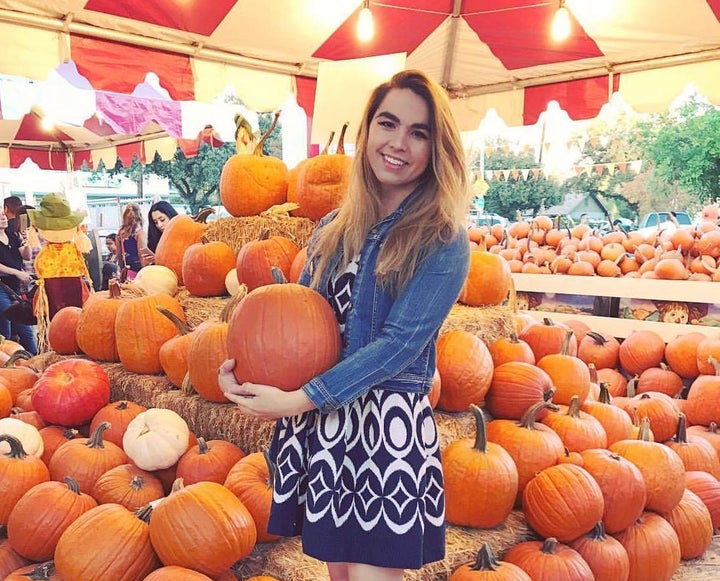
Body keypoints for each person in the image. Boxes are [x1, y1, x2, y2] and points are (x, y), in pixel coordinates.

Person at [218, 70, 471, 581]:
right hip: (327, 426)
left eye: (418, 133)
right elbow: (298, 322)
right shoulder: (333, 230)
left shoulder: (443, 239)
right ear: (368, 131)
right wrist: (245, 379)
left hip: (383, 434)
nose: (398, 143)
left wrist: (298, 399)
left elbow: (399, 345)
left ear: (435, 149)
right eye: (388, 123)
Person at [0, 209, 37, 354]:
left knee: (25, 328)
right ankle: (4, 363)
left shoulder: (12, 236)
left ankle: (34, 359)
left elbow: (27, 256)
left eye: (3, 215)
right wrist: (17, 272)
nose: (3, 218)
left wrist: (27, 241)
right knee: (5, 323)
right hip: (2, 285)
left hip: (15, 287)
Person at [142, 200, 179, 265]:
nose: (159, 225)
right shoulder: (156, 239)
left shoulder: (183, 235)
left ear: (171, 216)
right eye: (155, 222)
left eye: (162, 220)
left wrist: (158, 260)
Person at [116, 202, 147, 278]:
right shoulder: (139, 233)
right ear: (139, 216)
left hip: (127, 268)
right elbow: (141, 254)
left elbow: (119, 255)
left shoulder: (120, 233)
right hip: (138, 269)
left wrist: (122, 268)